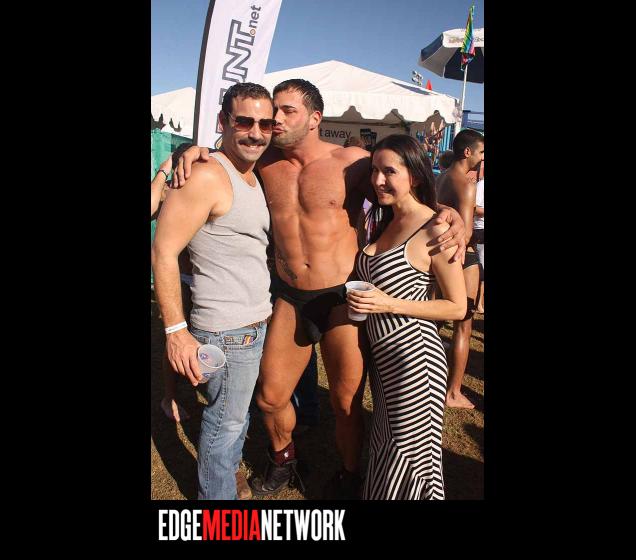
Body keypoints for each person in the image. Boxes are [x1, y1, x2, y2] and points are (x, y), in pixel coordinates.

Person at [174, 79, 467, 499]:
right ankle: (284, 459)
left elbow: (406, 187)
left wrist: (449, 212)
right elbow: (219, 157)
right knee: (270, 397)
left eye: (287, 111)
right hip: (291, 296)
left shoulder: (352, 163)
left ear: (314, 118)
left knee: (345, 402)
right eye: (274, 110)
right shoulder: (262, 162)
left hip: (341, 298)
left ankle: (350, 474)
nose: (275, 119)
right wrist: (190, 152)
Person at [151, 82, 277, 500]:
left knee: (234, 419)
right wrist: (175, 332)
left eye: (265, 124)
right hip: (227, 331)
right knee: (225, 425)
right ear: (224, 121)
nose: (256, 133)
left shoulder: (249, 174)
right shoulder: (206, 175)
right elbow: (163, 252)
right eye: (244, 121)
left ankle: (226, 480)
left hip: (251, 324)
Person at [347, 134, 466, 499]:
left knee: (410, 458)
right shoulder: (384, 218)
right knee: (385, 445)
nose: (378, 180)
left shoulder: (434, 228)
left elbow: (457, 306)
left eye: (389, 172)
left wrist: (388, 304)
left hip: (417, 363)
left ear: (413, 175)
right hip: (385, 361)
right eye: (374, 171)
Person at [436, 129, 484, 409]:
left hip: (440, 256)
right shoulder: (465, 184)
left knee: (435, 320)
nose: (483, 157)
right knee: (463, 327)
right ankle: (453, 392)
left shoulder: (441, 176)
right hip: (462, 259)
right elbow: (464, 234)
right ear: (468, 152)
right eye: (481, 152)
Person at [151, 153, 191, 423]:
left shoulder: (208, 184)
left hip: (209, 281)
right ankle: (170, 397)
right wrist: (163, 172)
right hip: (181, 279)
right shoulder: (170, 191)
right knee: (175, 337)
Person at [473, 166, 484, 313]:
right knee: (481, 269)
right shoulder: (481, 185)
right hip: (480, 230)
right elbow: (474, 208)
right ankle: (478, 303)